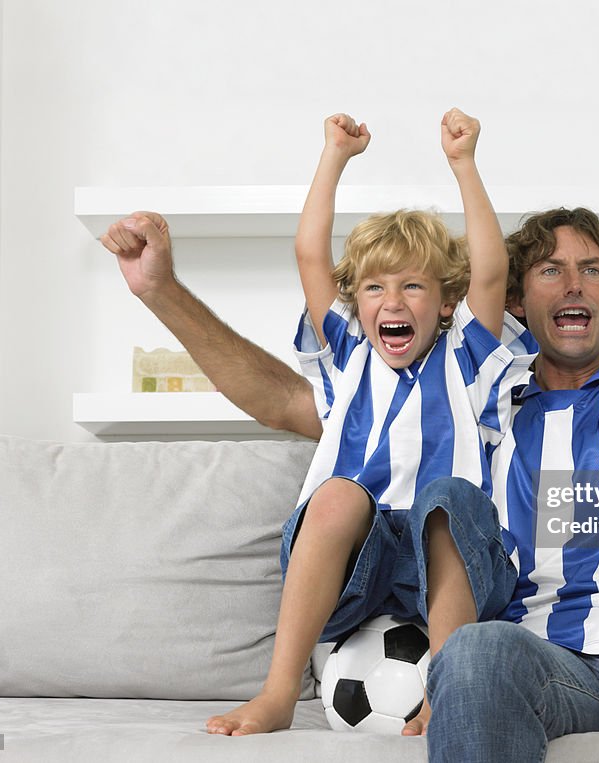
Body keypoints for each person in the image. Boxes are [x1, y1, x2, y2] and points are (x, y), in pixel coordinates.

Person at [100, 2, 599, 760]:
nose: (573, 283)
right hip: (539, 662)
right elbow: (283, 396)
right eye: (551, 270)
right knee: (476, 654)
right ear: (513, 305)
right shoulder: (473, 400)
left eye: (593, 270)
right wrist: (163, 291)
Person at [103, 109, 535, 736]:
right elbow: (310, 253)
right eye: (374, 289)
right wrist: (334, 156)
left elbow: (489, 269)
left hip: (447, 560)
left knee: (447, 499)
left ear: (445, 303)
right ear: (354, 302)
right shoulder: (348, 359)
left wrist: (463, 164)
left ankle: (446, 692)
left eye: (413, 287)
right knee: (336, 494)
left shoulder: (467, 361)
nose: (392, 302)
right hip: (355, 566)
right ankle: (278, 693)